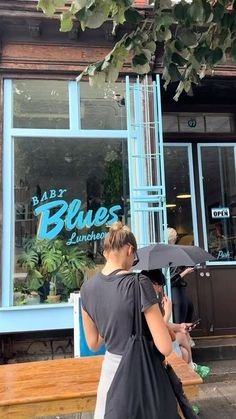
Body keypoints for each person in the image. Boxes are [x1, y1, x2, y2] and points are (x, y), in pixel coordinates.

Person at [80, 222, 175, 419]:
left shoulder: (86, 289)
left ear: (106, 251)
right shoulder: (140, 283)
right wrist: (165, 317)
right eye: (135, 257)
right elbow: (165, 347)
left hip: (110, 376)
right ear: (130, 250)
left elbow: (94, 342)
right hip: (141, 376)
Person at [142, 269, 210, 379]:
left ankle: (190, 369)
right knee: (182, 337)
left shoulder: (151, 300)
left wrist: (180, 326)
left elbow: (162, 324)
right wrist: (168, 313)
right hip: (151, 345)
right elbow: (158, 330)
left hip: (156, 343)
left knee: (184, 349)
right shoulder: (145, 303)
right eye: (159, 285)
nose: (160, 290)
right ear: (150, 283)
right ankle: (191, 369)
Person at [167, 227, 194, 325]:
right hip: (176, 290)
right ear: (174, 238)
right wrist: (186, 271)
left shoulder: (167, 252)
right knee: (180, 321)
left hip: (176, 290)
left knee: (189, 307)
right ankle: (182, 338)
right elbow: (172, 279)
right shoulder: (173, 253)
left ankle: (184, 337)